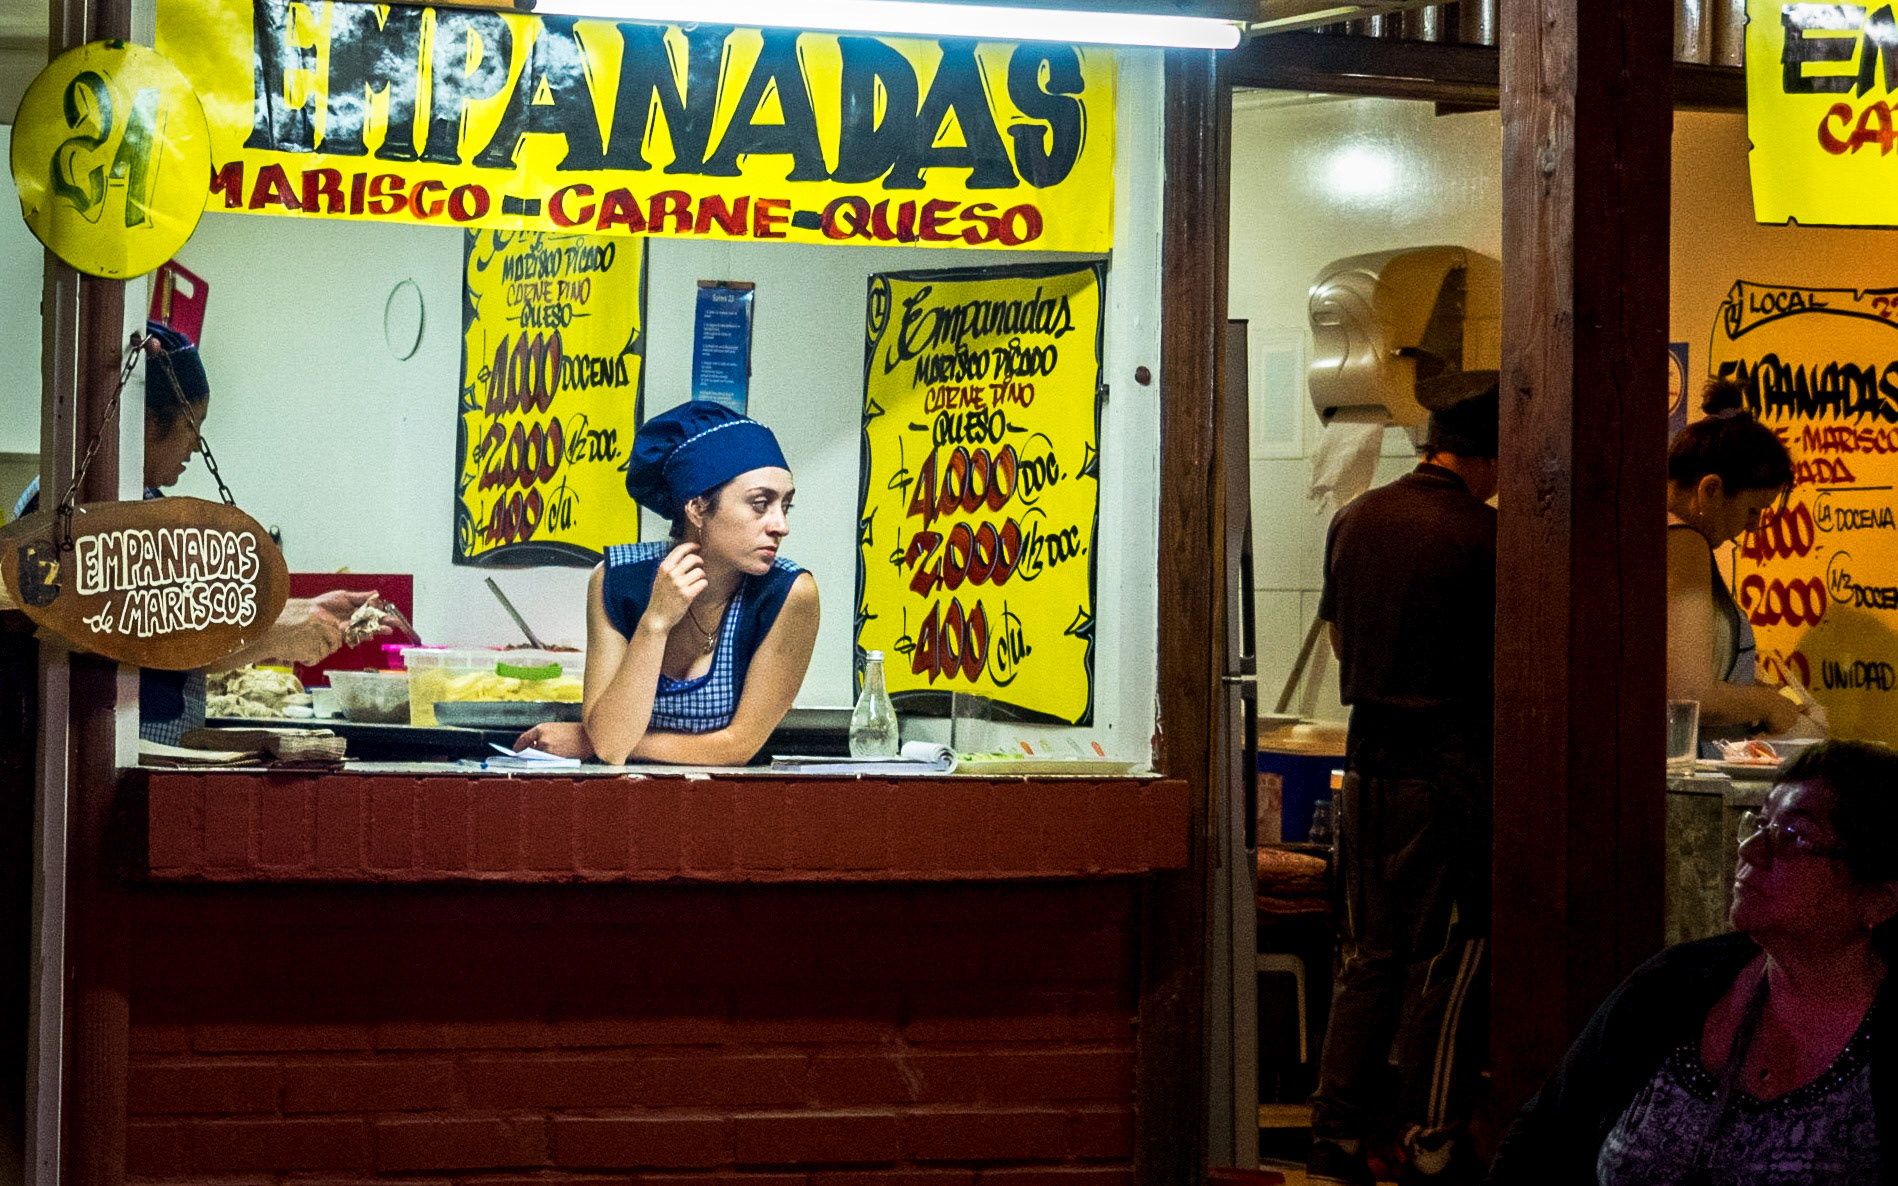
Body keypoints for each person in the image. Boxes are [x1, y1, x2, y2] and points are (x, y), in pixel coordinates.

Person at [1488, 740, 1898, 1184]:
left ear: (1879, 899)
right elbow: (1538, 1141)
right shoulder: (1676, 984)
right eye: (1758, 824)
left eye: (1792, 837)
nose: (1750, 851)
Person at [10, 322, 381, 744]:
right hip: (88, 750)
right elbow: (151, 633)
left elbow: (195, 613)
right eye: (192, 424)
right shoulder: (68, 509)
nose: (195, 444)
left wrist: (307, 609)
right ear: (148, 422)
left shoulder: (147, 505)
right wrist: (276, 634)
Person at [1308, 374, 1499, 1186]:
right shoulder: (1485, 537)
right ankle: (1432, 1139)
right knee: (1452, 958)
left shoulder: (1356, 520)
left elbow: (1344, 646)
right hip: (1449, 771)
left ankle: (1336, 1134)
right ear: (1488, 458)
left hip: (1367, 765)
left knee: (1371, 955)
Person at [515, 401, 819, 765]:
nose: (780, 526)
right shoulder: (617, 581)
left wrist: (588, 741)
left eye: (785, 506)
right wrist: (655, 623)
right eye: (760, 504)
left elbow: (737, 746)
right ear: (696, 508)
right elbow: (612, 746)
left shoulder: (788, 595)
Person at [1666, 378, 1806, 742]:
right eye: (1751, 510)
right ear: (1710, 489)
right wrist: (1768, 705)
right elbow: (1687, 693)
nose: (1753, 527)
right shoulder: (1685, 544)